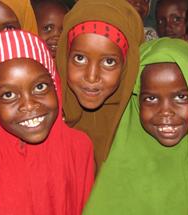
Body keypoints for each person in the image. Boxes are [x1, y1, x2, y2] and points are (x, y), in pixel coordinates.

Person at [83, 38, 188, 214]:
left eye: (181, 97)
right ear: (137, 101)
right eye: (151, 98)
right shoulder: (120, 171)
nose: (165, 112)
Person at [0, 30, 94, 215]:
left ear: (55, 85)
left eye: (40, 87)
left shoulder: (79, 148)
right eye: (8, 95)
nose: (29, 105)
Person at [56, 0, 144, 170]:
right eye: (79, 58)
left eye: (109, 62)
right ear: (64, 57)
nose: (91, 76)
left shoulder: (145, 125)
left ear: (128, 66)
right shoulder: (45, 119)